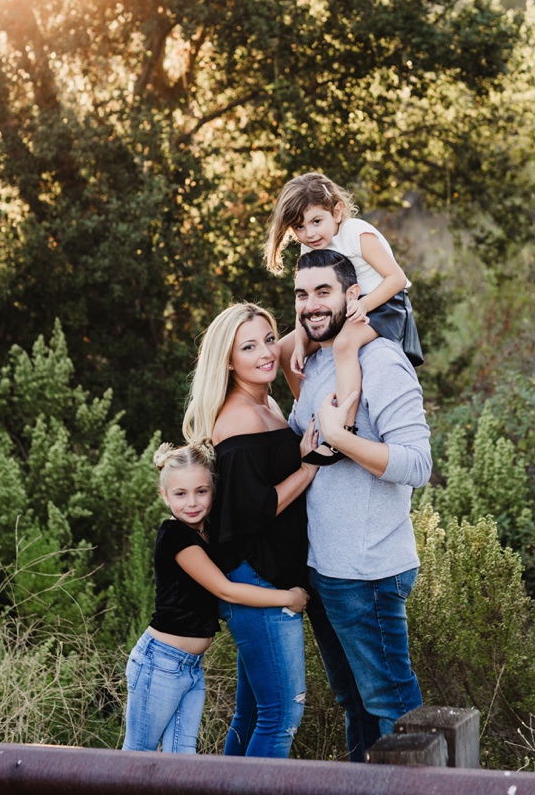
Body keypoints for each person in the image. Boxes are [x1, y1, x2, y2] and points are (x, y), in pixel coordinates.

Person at [284, 248, 433, 762]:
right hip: (324, 570)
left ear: (353, 295)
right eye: (302, 294)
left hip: (368, 571)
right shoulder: (324, 359)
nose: (311, 304)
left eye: (323, 291)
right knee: (357, 707)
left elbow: (417, 464)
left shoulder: (381, 360)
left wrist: (338, 439)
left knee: (393, 708)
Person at [184, 302, 323, 758]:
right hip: (256, 580)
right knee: (282, 715)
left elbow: (291, 346)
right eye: (248, 346)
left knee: (252, 715)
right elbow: (255, 510)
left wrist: (299, 338)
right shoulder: (239, 418)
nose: (266, 353)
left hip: (265, 573)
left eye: (268, 339)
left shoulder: (265, 403)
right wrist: (309, 467)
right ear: (228, 360)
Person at [122, 442, 311, 753]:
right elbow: (225, 589)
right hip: (160, 662)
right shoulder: (175, 537)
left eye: (201, 491)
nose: (192, 503)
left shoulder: (206, 532)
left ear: (213, 490)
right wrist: (286, 598)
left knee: (181, 759)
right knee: (136, 755)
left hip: (191, 667)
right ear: (164, 495)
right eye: (180, 494)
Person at [265, 172, 420, 403]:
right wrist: (299, 344)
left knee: (344, 344)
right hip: (341, 309)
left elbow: (396, 278)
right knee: (284, 351)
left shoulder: (357, 233)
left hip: (384, 306)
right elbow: (306, 301)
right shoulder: (310, 248)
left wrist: (364, 305)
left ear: (336, 212)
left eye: (316, 221)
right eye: (299, 227)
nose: (310, 233)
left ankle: (344, 422)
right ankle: (309, 411)